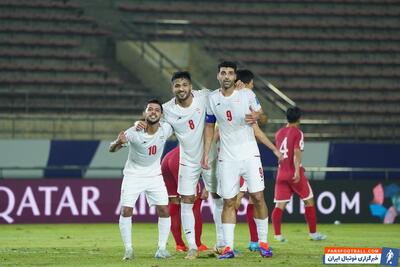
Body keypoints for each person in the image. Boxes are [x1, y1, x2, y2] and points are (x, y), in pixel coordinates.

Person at [135, 71, 223, 259]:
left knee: (218, 198)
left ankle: (223, 244)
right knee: (187, 201)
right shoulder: (167, 109)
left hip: (210, 158)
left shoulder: (205, 96)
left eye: (184, 85)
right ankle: (192, 246)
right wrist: (141, 124)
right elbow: (156, 124)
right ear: (172, 88)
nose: (181, 88)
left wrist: (239, 89)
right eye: (177, 85)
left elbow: (225, 95)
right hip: (187, 160)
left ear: (191, 86)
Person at [202, 61, 273, 259]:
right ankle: (228, 248)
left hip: (250, 155)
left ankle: (264, 243)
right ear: (218, 76)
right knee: (228, 202)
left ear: (235, 77)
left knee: (258, 197)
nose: (226, 76)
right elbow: (209, 127)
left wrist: (257, 115)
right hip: (227, 157)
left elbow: (264, 118)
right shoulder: (212, 98)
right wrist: (206, 154)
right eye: (223, 72)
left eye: (230, 73)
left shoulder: (247, 94)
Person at [109, 99, 173, 260]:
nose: (153, 112)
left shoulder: (166, 129)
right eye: (150, 109)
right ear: (144, 113)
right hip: (133, 175)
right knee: (126, 210)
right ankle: (129, 250)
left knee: (164, 210)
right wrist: (118, 142)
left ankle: (162, 249)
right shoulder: (133, 132)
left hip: (154, 176)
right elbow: (112, 149)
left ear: (161, 115)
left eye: (156, 110)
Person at [234, 69, 282, 251]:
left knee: (255, 198)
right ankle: (223, 242)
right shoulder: (225, 99)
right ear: (246, 83)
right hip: (233, 156)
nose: (253, 86)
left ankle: (256, 241)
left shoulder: (249, 99)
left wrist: (273, 148)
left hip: (249, 155)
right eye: (252, 83)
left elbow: (261, 121)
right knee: (235, 199)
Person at [272, 106, 327, 242]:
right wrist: (297, 171)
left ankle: (277, 235)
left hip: (281, 173)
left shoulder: (278, 133)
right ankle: (313, 234)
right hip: (293, 173)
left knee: (279, 206)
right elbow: (296, 152)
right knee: (309, 201)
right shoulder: (298, 133)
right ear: (299, 118)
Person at [161, 146, 209, 252]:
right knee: (194, 204)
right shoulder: (212, 142)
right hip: (184, 159)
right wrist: (208, 186)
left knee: (174, 203)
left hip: (167, 158)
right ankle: (197, 244)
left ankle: (179, 245)